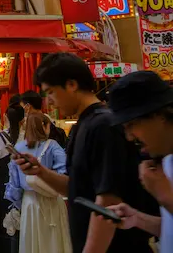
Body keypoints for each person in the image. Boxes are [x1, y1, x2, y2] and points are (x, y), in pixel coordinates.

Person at [15, 52, 156, 253]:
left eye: (51, 92)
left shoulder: (103, 125)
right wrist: (40, 171)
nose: (50, 102)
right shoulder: (81, 126)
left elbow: (107, 200)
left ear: (71, 84)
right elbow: (77, 189)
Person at [101, 71, 173, 248]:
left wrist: (166, 197)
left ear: (159, 116)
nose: (129, 137)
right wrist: (137, 219)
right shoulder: (167, 162)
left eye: (131, 125)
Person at [5, 112, 71, 252]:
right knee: (54, 243)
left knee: (31, 243)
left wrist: (18, 205)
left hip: (29, 203)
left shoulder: (19, 147)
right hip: (51, 201)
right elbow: (65, 171)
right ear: (46, 126)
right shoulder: (52, 145)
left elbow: (14, 185)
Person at [0, 103, 24, 253]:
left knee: (1, 229)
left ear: (5, 117)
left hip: (2, 189)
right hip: (22, 189)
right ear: (23, 119)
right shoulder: (27, 137)